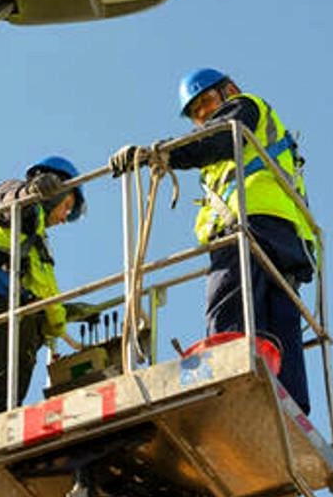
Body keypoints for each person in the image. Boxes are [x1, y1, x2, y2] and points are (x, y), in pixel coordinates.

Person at [109, 68, 315, 414]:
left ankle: (227, 380)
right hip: (284, 235)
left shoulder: (244, 109)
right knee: (276, 322)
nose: (203, 115)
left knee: (229, 302)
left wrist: (159, 154)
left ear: (229, 90)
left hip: (252, 225)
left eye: (205, 102)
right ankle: (292, 406)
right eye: (195, 112)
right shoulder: (238, 148)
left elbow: (218, 140)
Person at [0, 156, 97, 421]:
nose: (64, 215)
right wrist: (32, 191)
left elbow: (40, 291)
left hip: (18, 314)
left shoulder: (36, 239)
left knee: (1, 400)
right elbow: (8, 200)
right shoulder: (19, 205)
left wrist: (65, 313)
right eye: (66, 204)